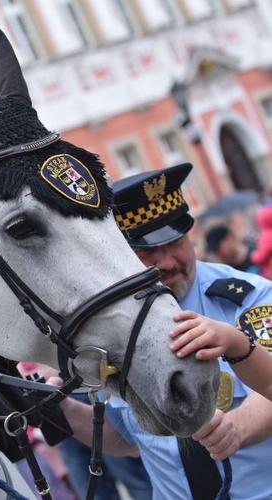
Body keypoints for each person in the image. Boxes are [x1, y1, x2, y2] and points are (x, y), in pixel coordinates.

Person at [54, 163, 272, 499]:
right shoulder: (107, 328)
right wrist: (63, 409)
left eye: (175, 242)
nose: (167, 261)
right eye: (146, 252)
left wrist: (237, 428)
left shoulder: (247, 297)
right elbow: (129, 440)